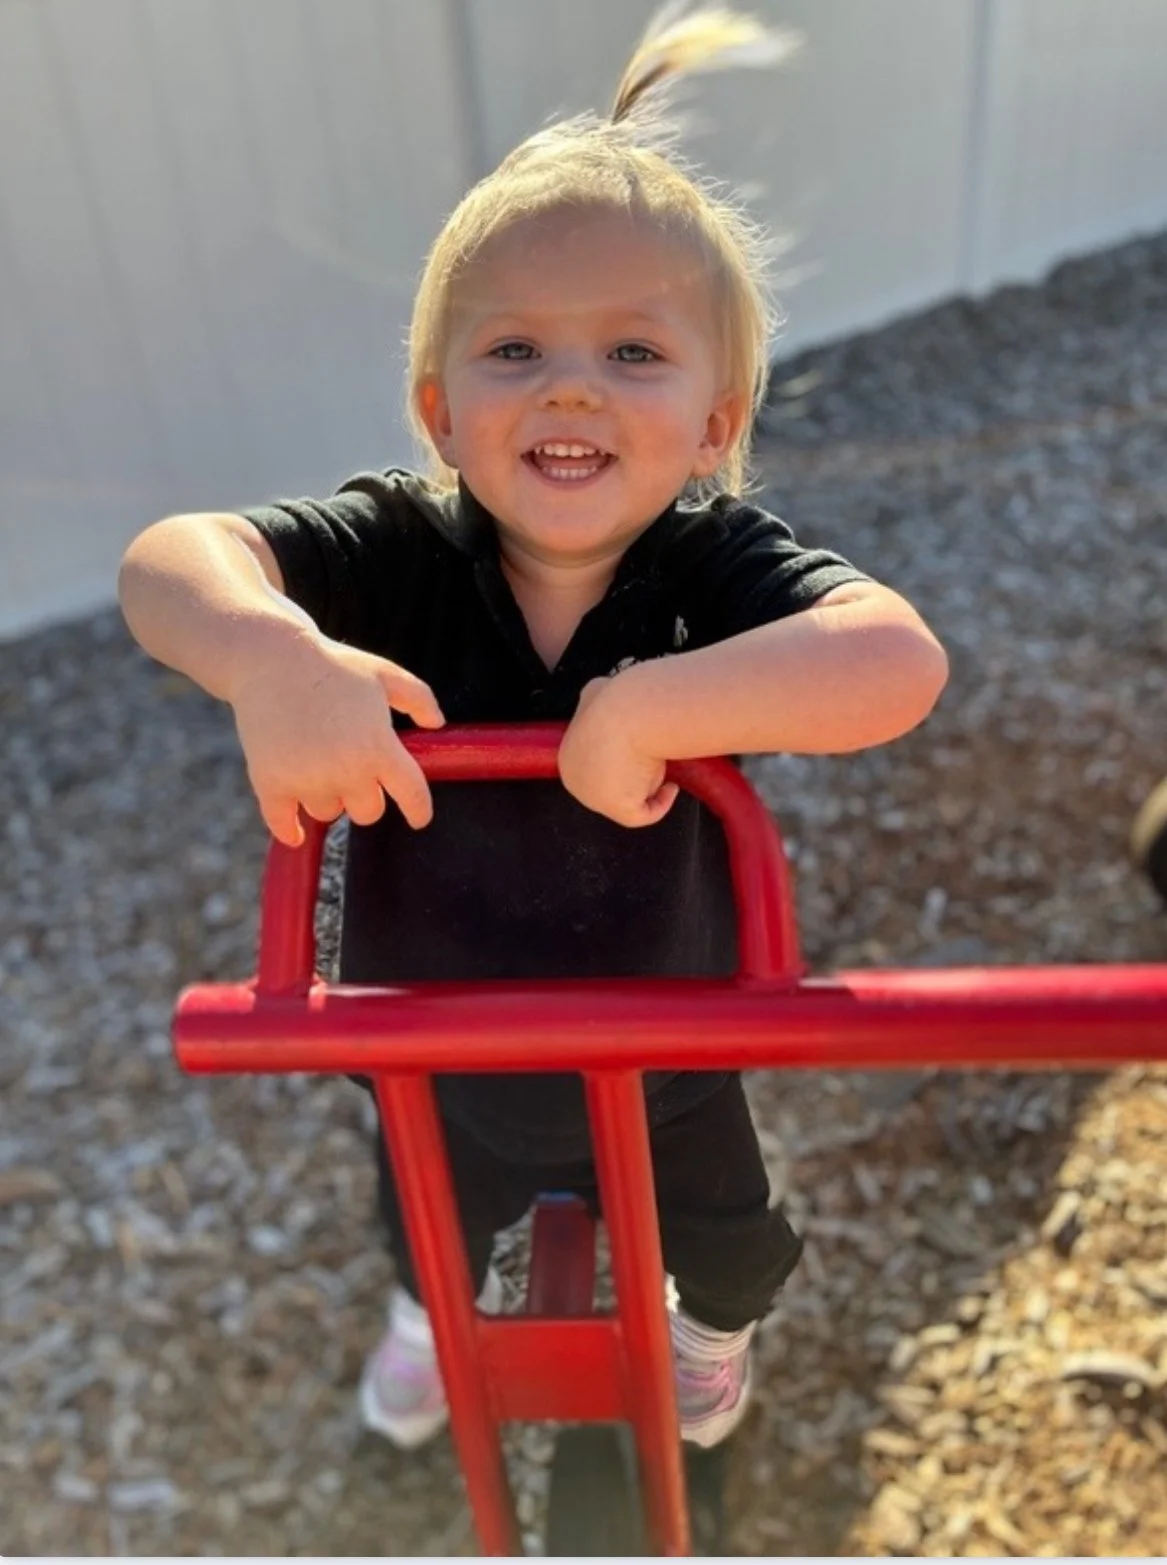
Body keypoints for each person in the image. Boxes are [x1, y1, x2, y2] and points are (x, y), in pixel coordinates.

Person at [118, 5, 948, 1452]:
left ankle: (712, 1335)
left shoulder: (708, 565)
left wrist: (650, 704)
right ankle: (427, 1321)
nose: (569, 386)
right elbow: (164, 564)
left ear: (712, 421)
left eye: (634, 352)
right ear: (440, 414)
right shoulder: (390, 547)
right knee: (431, 1229)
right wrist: (270, 653)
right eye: (515, 350)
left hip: (667, 1031)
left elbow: (892, 660)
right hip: (437, 1036)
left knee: (732, 1238)